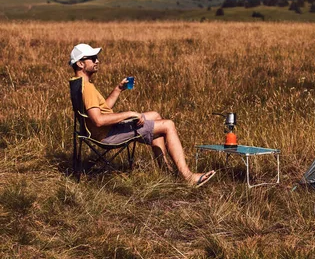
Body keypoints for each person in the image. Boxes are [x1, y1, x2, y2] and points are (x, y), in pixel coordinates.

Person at [69, 43, 215, 186]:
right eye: (93, 58)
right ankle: (188, 177)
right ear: (81, 64)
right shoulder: (87, 88)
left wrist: (118, 89)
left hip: (99, 132)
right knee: (169, 125)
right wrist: (130, 114)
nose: (97, 61)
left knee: (155, 115)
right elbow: (98, 120)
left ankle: (165, 170)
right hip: (108, 135)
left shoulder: (78, 83)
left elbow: (102, 109)